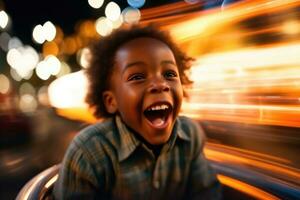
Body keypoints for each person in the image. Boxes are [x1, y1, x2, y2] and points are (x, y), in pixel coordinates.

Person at [53, 24, 222, 199]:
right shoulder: (89, 154)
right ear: (112, 101)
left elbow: (207, 193)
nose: (160, 84)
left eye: (169, 74)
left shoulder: (190, 135)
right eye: (137, 77)